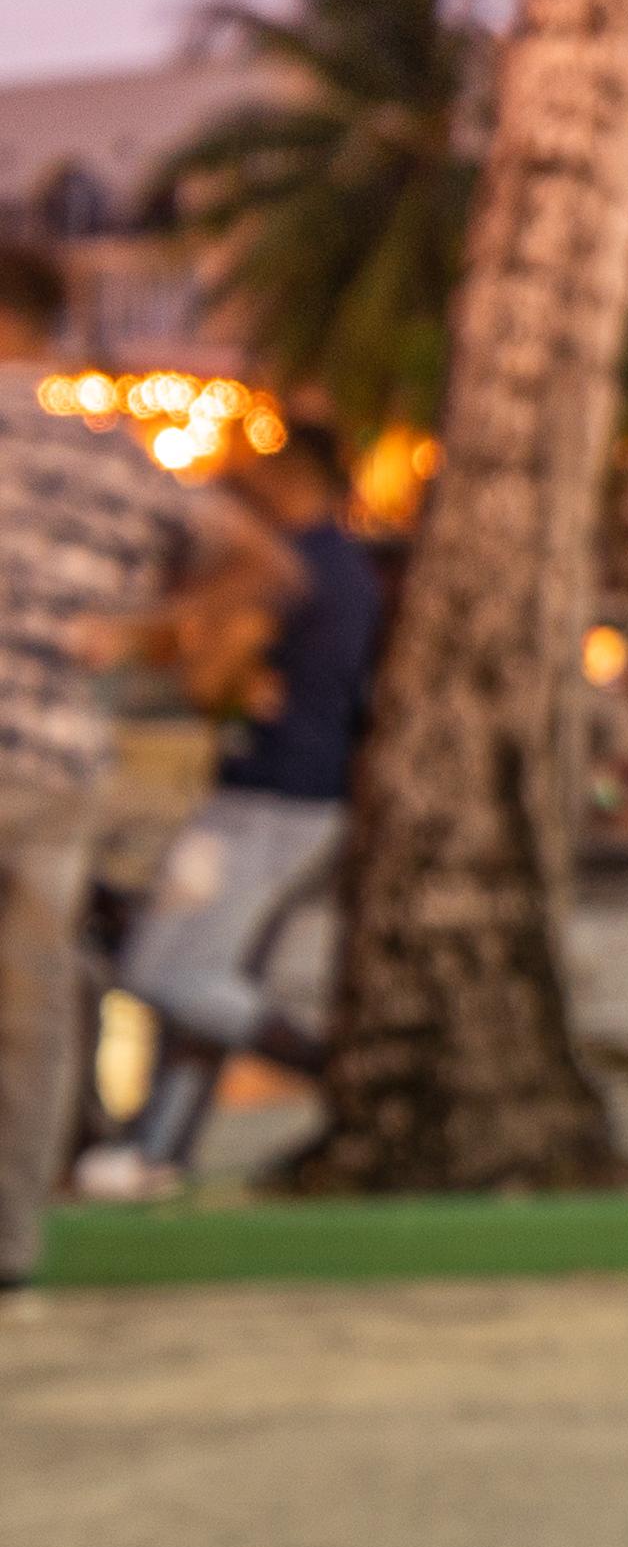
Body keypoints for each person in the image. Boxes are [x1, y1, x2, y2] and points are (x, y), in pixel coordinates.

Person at [0, 246, 289, 1296]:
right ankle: (12, 1250)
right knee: (31, 1013)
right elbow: (266, 559)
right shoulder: (108, 445)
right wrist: (145, 628)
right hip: (61, 763)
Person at [77, 416, 378, 1198]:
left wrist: (196, 645)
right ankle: (155, 1152)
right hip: (303, 797)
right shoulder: (350, 570)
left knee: (161, 968)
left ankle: (344, 1074)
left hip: (262, 800)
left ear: (291, 476)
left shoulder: (286, 569)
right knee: (206, 976)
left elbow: (207, 682)